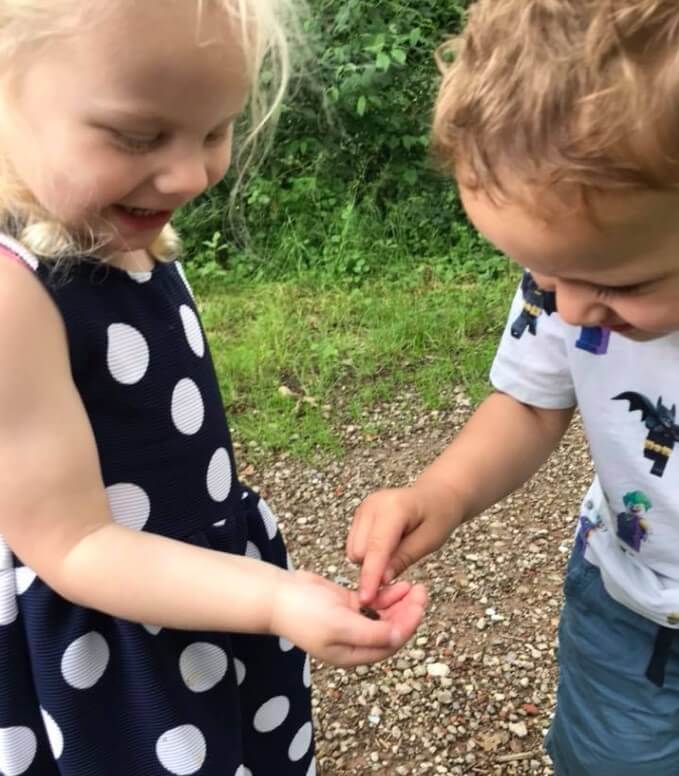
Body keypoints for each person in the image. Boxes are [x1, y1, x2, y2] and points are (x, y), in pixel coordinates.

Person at [0, 2, 428, 774]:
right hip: (104, 648)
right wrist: (270, 599)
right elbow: (74, 543)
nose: (190, 173)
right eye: (137, 136)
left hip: (189, 594)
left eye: (215, 130)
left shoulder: (124, 235)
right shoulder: (13, 293)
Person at [347, 2, 679, 774]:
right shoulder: (576, 278)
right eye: (538, 275)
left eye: (614, 282)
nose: (565, 310)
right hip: (627, 614)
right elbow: (533, 402)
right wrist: (441, 493)